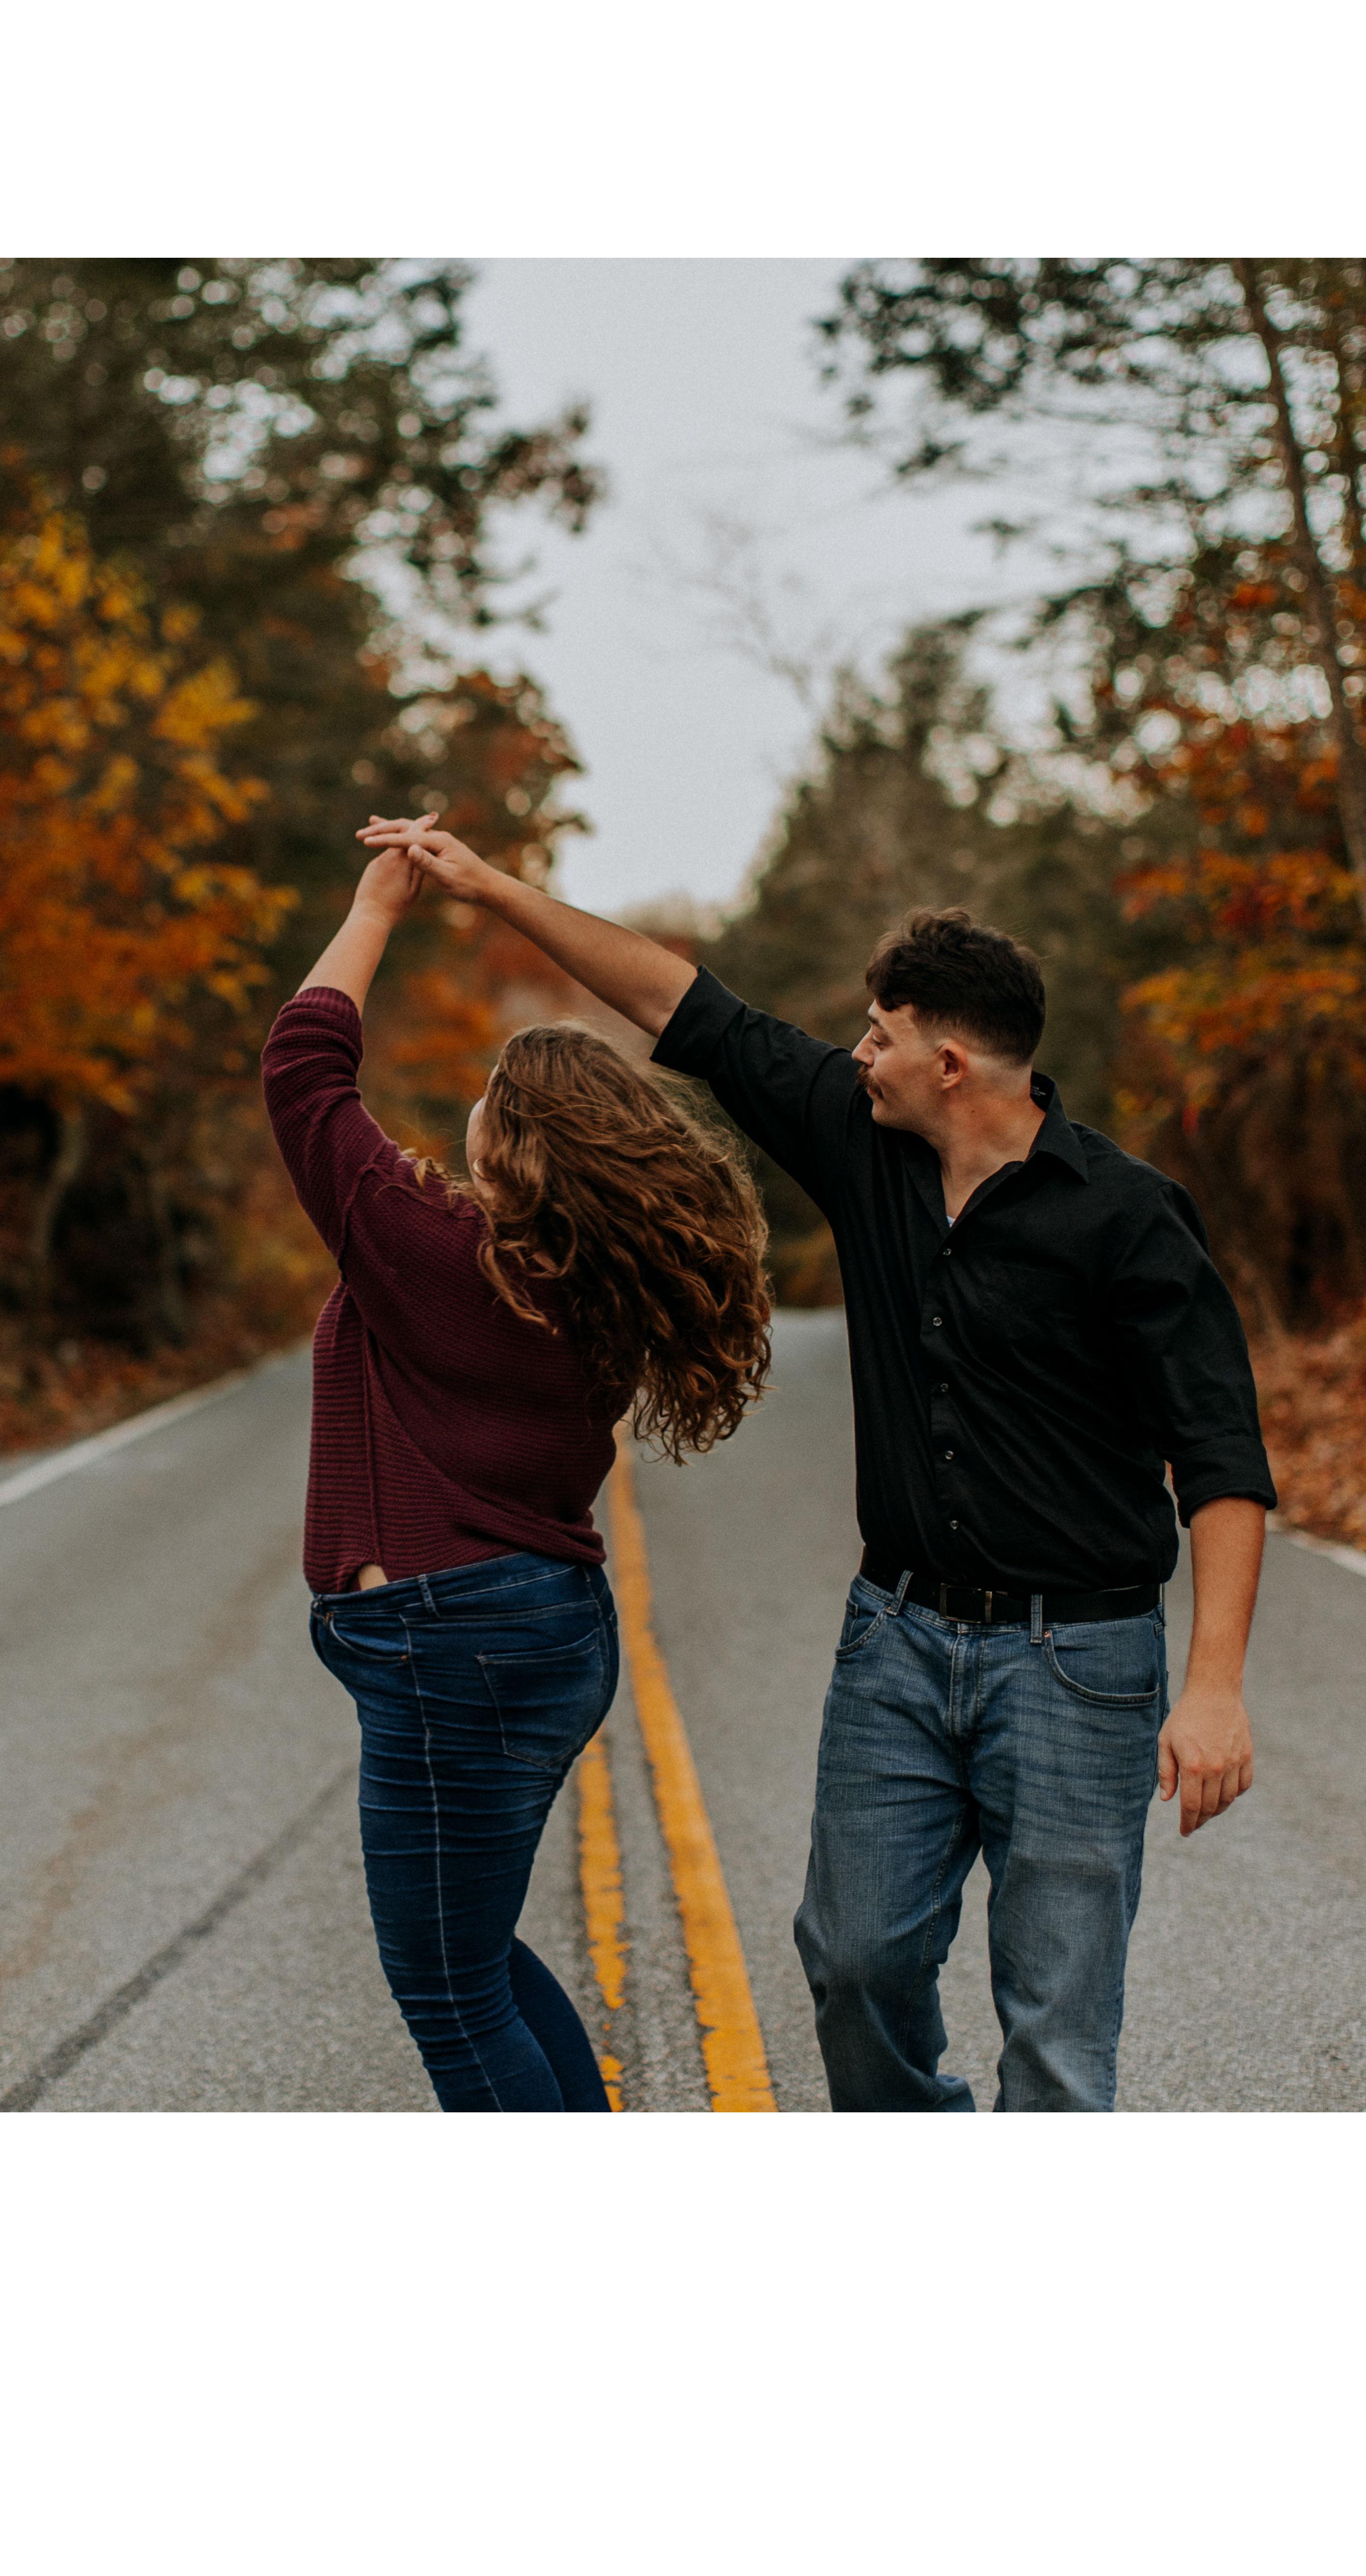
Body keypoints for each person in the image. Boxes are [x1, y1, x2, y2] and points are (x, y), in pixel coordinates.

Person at [361, 816, 1274, 2114]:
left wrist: (1216, 1688)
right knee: (853, 1964)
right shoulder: (864, 1143)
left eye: (880, 1036)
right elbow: (685, 1007)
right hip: (897, 1640)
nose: (858, 1055)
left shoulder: (1128, 1219)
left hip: (1078, 1664)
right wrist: (493, 888)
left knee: (1060, 2034)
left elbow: (1221, 1457)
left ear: (950, 1063)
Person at [261, 827, 772, 2112]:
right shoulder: (594, 1281)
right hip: (541, 1631)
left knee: (447, 1991)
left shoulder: (442, 1257)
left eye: (495, 1091)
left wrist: (378, 903)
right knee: (474, 1963)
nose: (475, 1102)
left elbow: (303, 1069)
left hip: (455, 1647)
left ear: (521, 1140)